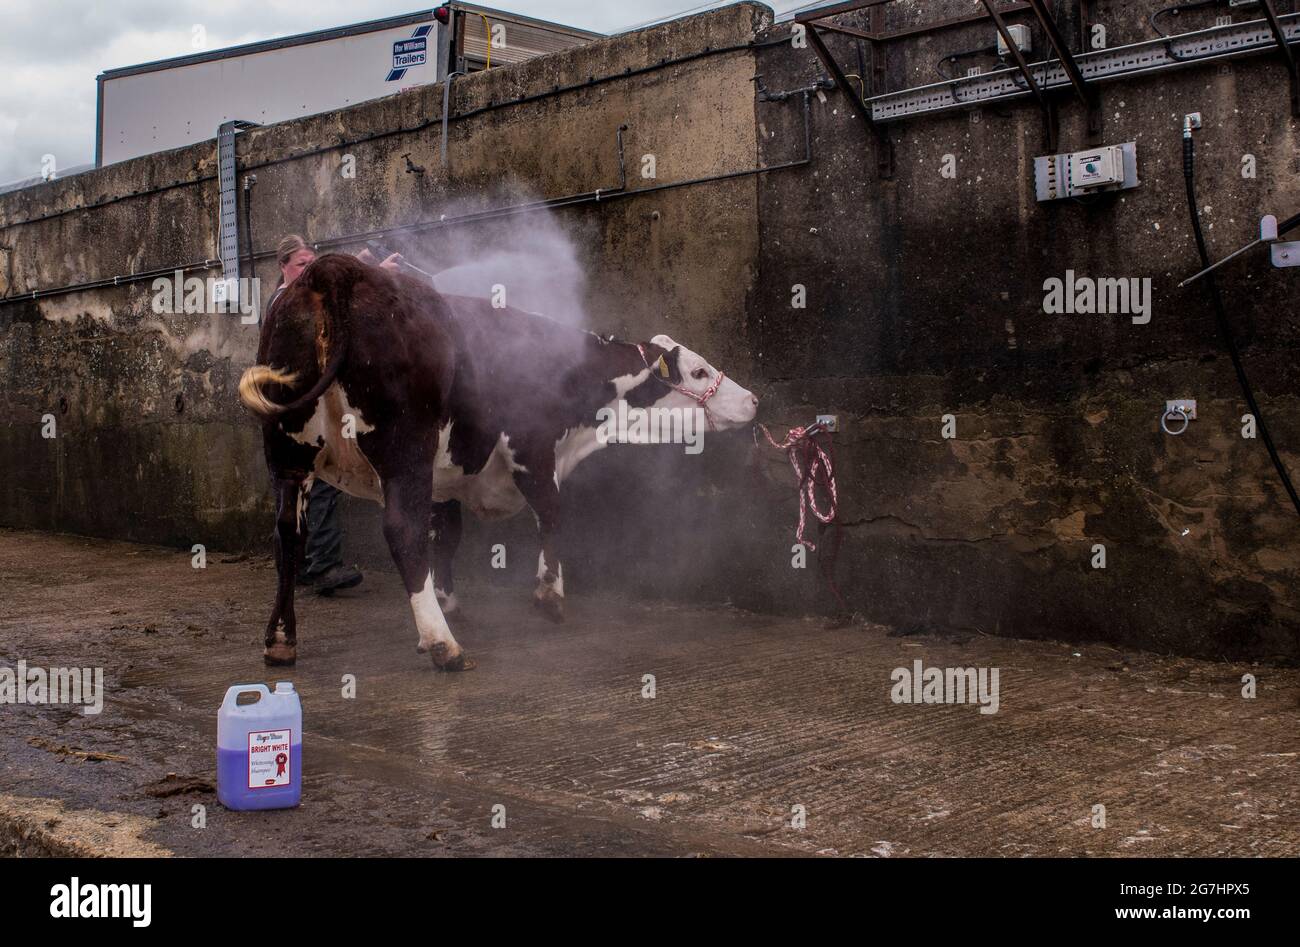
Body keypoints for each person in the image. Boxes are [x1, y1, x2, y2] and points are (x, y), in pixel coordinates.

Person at [265, 234, 400, 595]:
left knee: (295, 493)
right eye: (301, 265)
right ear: (283, 267)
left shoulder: (284, 299)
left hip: (296, 412)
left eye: (313, 264)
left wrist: (359, 262)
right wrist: (375, 274)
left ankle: (300, 569)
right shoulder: (289, 302)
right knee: (318, 486)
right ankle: (322, 566)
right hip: (300, 415)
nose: (308, 271)